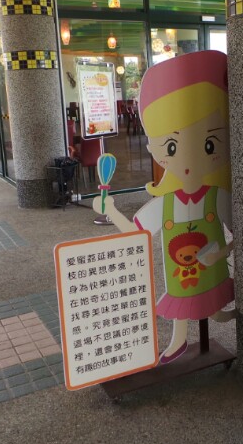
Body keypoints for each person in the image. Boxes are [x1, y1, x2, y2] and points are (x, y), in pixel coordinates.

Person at [94, 50, 235, 364]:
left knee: (213, 301)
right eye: (171, 146)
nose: (188, 158)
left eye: (209, 144)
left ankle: (224, 314)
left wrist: (220, 253)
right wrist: (111, 210)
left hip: (211, 271)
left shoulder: (217, 196)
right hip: (180, 278)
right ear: (155, 149)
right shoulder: (166, 204)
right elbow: (137, 232)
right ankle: (179, 340)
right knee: (184, 306)